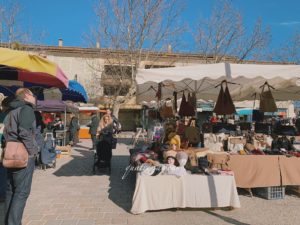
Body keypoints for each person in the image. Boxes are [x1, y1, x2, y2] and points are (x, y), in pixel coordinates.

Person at [3, 88, 38, 225]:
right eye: (32, 94)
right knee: (21, 192)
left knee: (11, 190)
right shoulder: (26, 109)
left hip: (9, 152)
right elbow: (24, 131)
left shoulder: (10, 110)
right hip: (23, 154)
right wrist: (32, 150)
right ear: (27, 96)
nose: (34, 96)